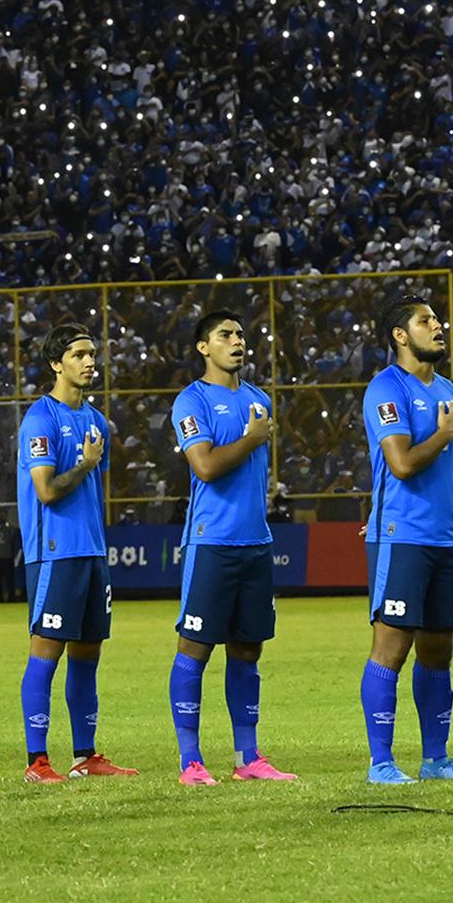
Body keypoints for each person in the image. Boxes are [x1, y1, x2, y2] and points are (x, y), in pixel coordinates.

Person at [358, 297, 453, 784]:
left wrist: (443, 432)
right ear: (399, 335)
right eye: (425, 321)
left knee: (438, 650)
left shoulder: (448, 388)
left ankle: (436, 760)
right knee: (390, 648)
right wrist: (443, 433)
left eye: (437, 320)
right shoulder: (385, 388)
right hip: (400, 537)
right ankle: (381, 763)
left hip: (444, 538)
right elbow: (403, 464)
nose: (438, 326)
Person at [166, 310, 295, 785]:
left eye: (241, 335)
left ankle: (248, 758)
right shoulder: (191, 401)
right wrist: (250, 438)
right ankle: (191, 761)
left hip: (255, 543)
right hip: (211, 543)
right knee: (195, 648)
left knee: (247, 650)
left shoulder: (258, 399)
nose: (237, 342)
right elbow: (204, 466)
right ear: (204, 347)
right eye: (225, 335)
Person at [18, 323, 136, 783]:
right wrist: (85, 463)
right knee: (46, 654)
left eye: (93, 354)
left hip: (90, 552)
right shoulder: (39, 419)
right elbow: (46, 491)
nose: (90, 362)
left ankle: (85, 756)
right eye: (80, 355)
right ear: (55, 363)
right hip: (54, 554)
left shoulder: (94, 419)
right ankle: (37, 761)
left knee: (88, 655)